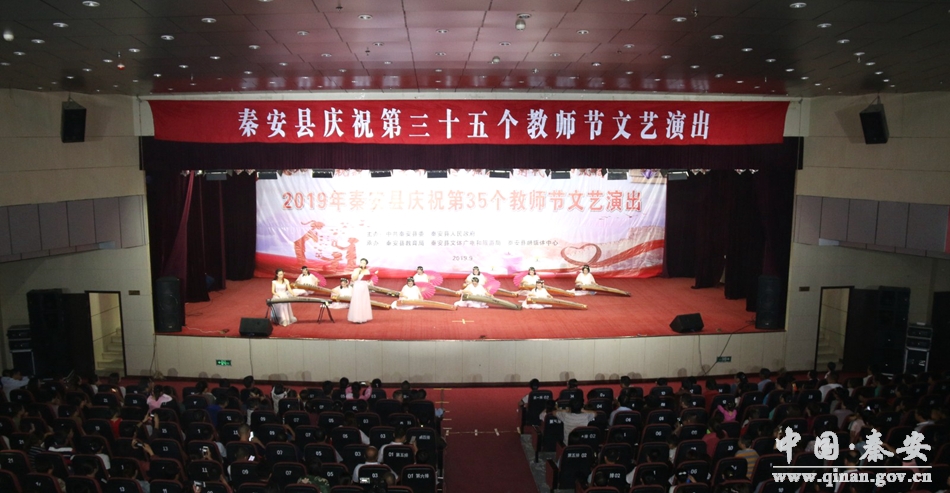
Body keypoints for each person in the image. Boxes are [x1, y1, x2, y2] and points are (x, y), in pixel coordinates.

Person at [348, 258, 373, 324]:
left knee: (364, 301)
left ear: (366, 264)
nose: (362, 264)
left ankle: (364, 317)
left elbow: (368, 280)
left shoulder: (367, 271)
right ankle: (357, 318)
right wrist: (358, 272)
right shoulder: (356, 270)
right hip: (357, 286)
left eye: (364, 263)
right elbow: (353, 279)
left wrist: (369, 279)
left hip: (364, 287)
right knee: (357, 301)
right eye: (361, 262)